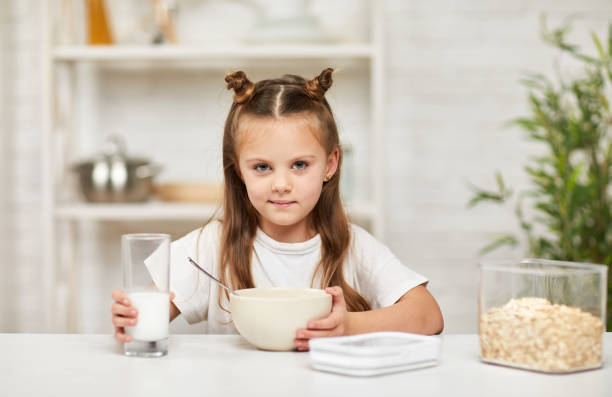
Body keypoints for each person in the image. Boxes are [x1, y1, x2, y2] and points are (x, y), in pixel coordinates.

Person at [111, 68, 444, 351]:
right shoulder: (210, 246)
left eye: (299, 165)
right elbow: (146, 314)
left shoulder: (353, 246)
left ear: (330, 164)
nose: (281, 184)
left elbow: (429, 315)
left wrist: (349, 326)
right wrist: (131, 319)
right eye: (262, 167)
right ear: (238, 170)